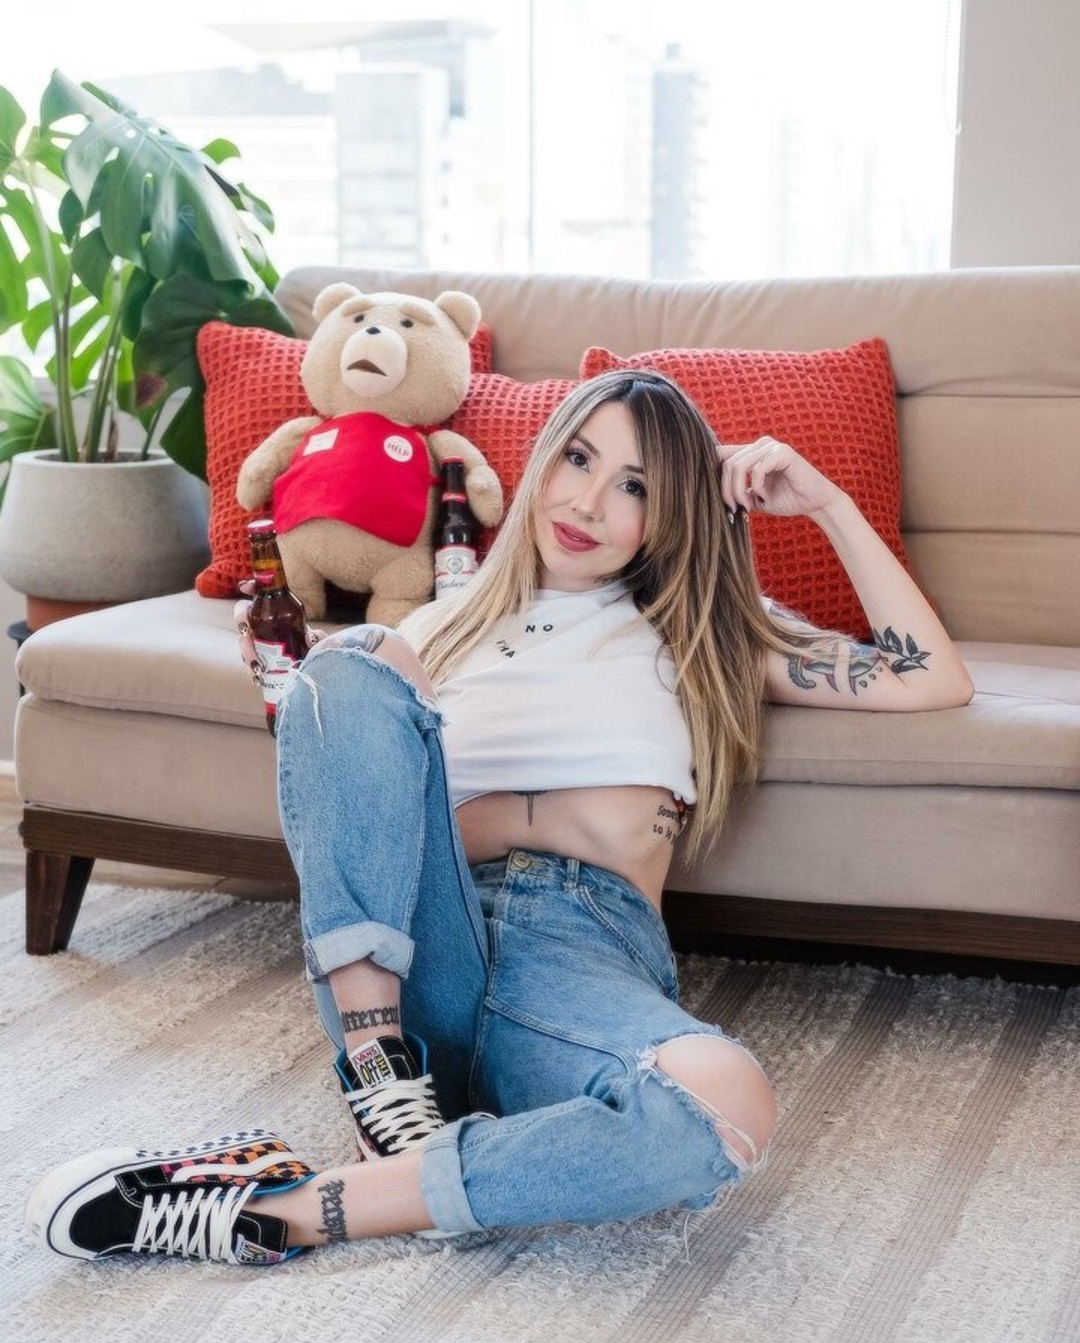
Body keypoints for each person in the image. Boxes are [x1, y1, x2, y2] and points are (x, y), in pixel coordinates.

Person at [27, 368, 975, 1266]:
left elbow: (929, 678)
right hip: (416, 946)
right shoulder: (439, 627)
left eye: (634, 486)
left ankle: (289, 1208)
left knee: (724, 1100)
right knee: (352, 657)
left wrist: (827, 504)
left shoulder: (705, 634)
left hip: (582, 955)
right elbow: (360, 803)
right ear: (544, 459)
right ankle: (380, 1073)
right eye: (579, 459)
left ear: (673, 515)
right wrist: (541, 810)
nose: (588, 503)